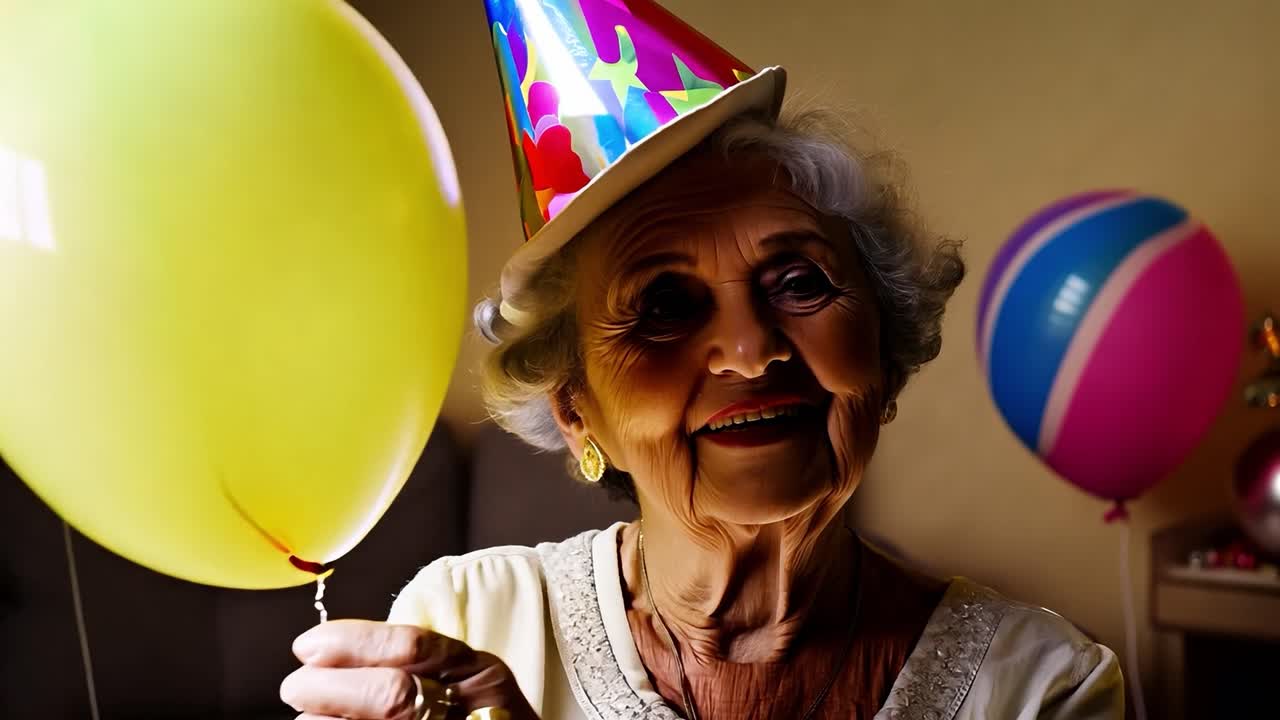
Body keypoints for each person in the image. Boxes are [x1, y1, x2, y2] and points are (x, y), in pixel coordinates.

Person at [280, 2, 1124, 718]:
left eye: (798, 281)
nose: (752, 354)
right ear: (577, 410)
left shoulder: (1043, 686)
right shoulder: (466, 624)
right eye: (663, 308)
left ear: (885, 346)